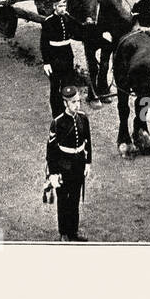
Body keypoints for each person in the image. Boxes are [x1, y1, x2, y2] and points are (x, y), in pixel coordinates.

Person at [45, 85, 93, 242]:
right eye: (73, 102)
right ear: (65, 104)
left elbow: (88, 142)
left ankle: (73, 232)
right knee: (64, 202)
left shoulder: (83, 118)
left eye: (78, 101)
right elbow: (51, 151)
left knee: (75, 199)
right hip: (63, 167)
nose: (77, 105)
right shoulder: (57, 123)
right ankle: (64, 233)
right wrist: (53, 173)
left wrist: (88, 163)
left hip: (78, 165)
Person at [41, 0, 82, 118]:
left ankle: (67, 111)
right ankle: (57, 115)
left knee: (67, 84)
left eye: (64, 5)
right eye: (60, 6)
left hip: (67, 56)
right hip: (55, 57)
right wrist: (46, 62)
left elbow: (80, 30)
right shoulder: (48, 22)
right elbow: (44, 44)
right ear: (54, 7)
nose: (63, 9)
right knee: (55, 87)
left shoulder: (68, 19)